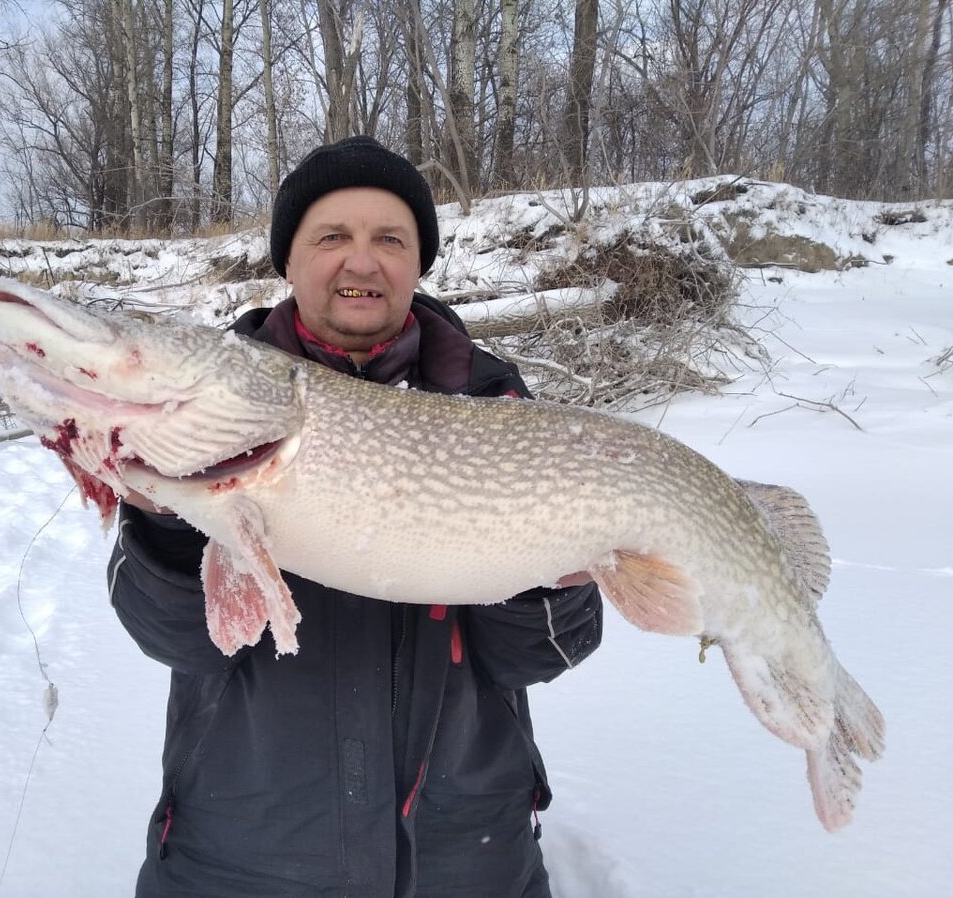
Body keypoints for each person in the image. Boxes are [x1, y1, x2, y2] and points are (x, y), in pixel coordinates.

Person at [107, 135, 603, 898]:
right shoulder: (211, 406)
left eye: (390, 240)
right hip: (240, 861)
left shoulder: (493, 405)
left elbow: (538, 656)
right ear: (290, 259)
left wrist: (551, 584)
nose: (362, 262)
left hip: (468, 859)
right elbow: (175, 638)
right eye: (332, 236)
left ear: (417, 263)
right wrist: (173, 522)